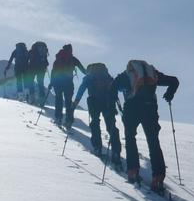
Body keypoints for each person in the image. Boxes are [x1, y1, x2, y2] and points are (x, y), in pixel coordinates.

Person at [113, 60, 179, 193]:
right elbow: (174, 81)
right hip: (150, 107)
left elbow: (112, 86)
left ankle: (133, 171)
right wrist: (169, 94)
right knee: (153, 141)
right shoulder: (153, 73)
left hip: (132, 107)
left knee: (130, 137)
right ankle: (158, 177)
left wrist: (112, 104)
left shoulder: (126, 75)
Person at [73, 62, 122, 167]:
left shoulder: (89, 77)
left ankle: (97, 147)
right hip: (108, 102)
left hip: (94, 102)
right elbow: (117, 88)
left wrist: (76, 102)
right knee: (111, 126)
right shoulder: (107, 76)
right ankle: (116, 152)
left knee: (95, 122)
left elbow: (81, 88)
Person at [49, 44, 86, 128]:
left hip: (58, 83)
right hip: (68, 83)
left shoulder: (58, 59)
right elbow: (82, 69)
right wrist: (89, 74)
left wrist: (51, 83)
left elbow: (53, 72)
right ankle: (68, 121)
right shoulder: (73, 59)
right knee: (68, 101)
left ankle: (58, 118)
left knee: (58, 99)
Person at [27, 41, 50, 107]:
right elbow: (46, 62)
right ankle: (42, 101)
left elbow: (27, 60)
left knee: (31, 82)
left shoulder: (31, 51)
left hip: (32, 68)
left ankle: (32, 98)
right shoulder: (43, 51)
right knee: (40, 83)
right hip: (41, 69)